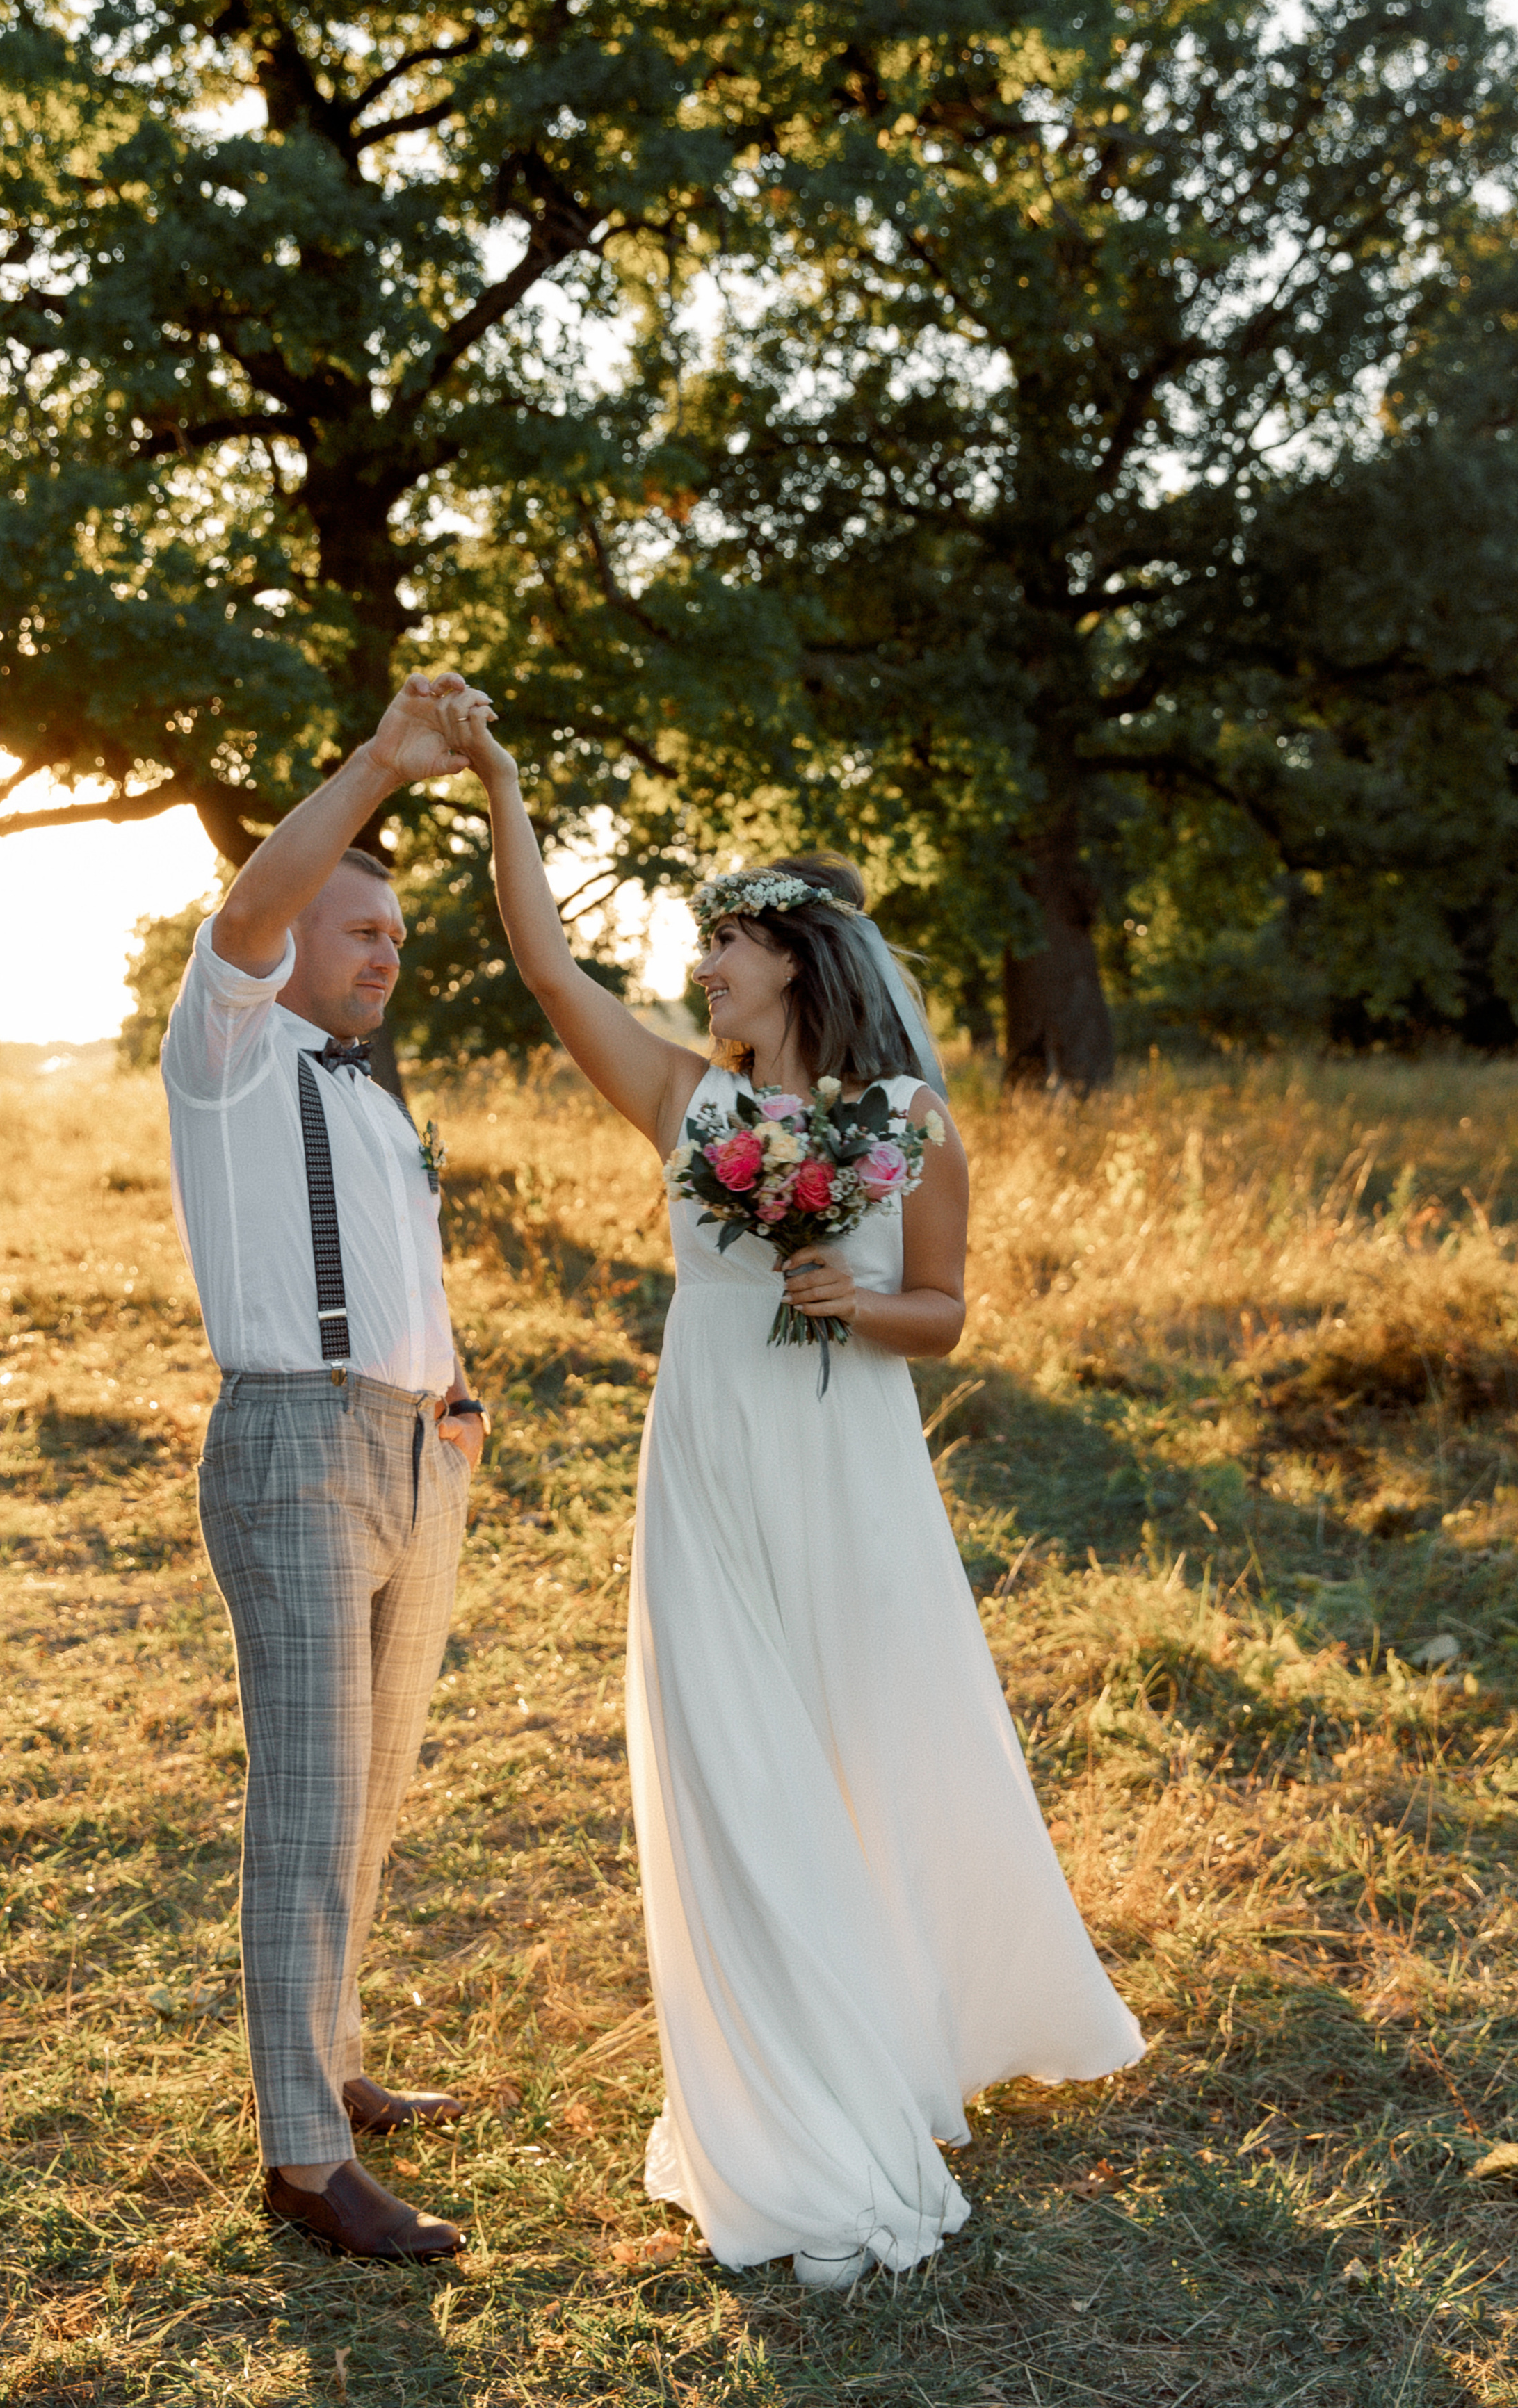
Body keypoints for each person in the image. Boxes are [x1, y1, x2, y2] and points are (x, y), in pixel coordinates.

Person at [445, 690, 1143, 2288]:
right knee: (731, 1765)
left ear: (795, 957)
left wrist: (851, 1298)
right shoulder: (686, 1100)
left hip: (847, 1467)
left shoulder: (911, 1128)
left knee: (858, 1750)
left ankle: (878, 2052)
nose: (699, 969)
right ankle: (779, 2112)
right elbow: (550, 967)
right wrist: (500, 785)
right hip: (706, 1455)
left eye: (723, 946)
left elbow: (946, 1319)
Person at [161, 670, 491, 2262]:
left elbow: (397, 1275)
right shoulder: (227, 1048)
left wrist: (457, 1399)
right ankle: (301, 2163)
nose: (386, 955)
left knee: (369, 1793)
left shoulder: (372, 1098)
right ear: (293, 935)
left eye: (400, 940)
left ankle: (334, 2066)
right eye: (363, 930)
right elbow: (255, 901)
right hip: (293, 1445)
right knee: (306, 1800)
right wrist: (380, 765)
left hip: (413, 1456)